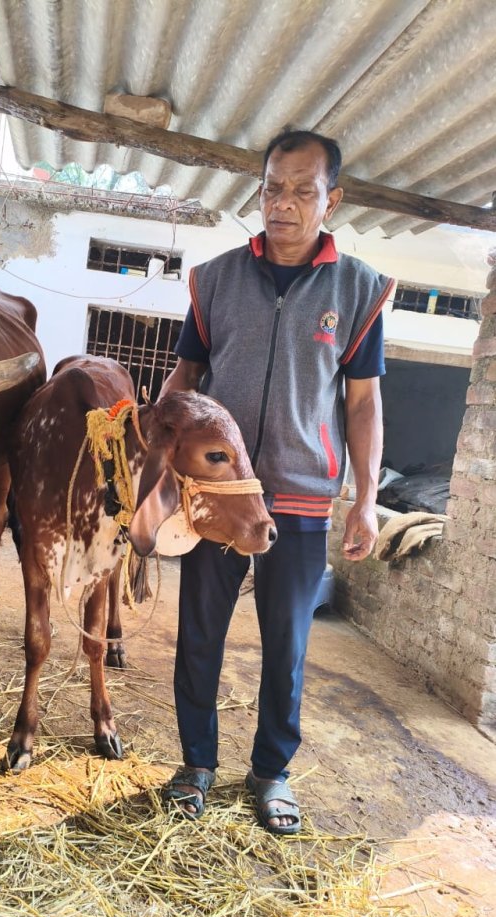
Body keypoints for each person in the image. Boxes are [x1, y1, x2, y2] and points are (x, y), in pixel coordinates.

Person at [160, 128, 394, 834]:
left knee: (286, 646)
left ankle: (271, 772)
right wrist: (157, 467)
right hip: (218, 497)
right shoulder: (216, 280)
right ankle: (196, 764)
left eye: (302, 191)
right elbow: (186, 380)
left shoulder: (357, 289)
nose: (283, 204)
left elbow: (363, 404)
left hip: (299, 496)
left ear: (331, 200)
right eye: (272, 188)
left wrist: (367, 499)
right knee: (199, 634)